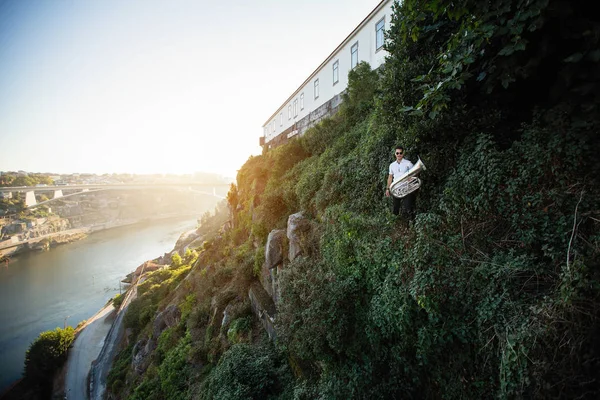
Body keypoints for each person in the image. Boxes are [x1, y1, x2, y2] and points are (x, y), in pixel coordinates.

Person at [385, 146, 416, 218]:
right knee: (395, 208)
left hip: (407, 188)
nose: (399, 154)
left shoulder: (408, 163)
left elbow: (415, 173)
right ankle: (395, 224)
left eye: (400, 153)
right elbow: (390, 177)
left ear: (403, 153)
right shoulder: (392, 165)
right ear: (395, 154)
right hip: (396, 189)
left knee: (408, 208)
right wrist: (387, 188)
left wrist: (411, 178)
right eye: (397, 153)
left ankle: (410, 225)